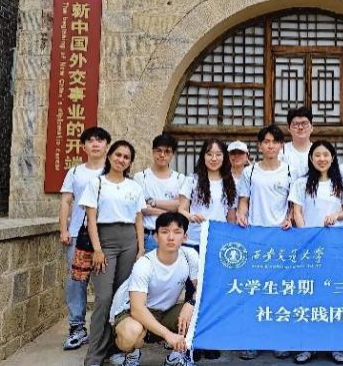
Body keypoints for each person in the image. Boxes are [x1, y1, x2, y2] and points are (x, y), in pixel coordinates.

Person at [79, 140, 146, 366]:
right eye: (118, 155)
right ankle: (94, 354)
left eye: (126, 157)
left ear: (130, 162)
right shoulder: (97, 183)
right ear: (109, 156)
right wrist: (97, 249)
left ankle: (114, 348)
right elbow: (91, 220)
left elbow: (138, 219)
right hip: (104, 241)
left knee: (121, 298)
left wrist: (141, 249)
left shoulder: (134, 187)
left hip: (129, 241)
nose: (121, 160)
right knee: (104, 298)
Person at [289, 140, 343, 365]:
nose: (322, 159)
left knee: (334, 295)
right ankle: (308, 345)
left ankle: (336, 345)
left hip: (335, 247)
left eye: (326, 155)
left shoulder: (341, 183)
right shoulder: (301, 183)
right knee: (308, 295)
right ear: (311, 158)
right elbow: (297, 212)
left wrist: (336, 216)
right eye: (317, 155)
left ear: (333, 158)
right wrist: (306, 235)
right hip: (309, 248)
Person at [110, 212, 198, 366]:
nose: (171, 237)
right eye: (165, 232)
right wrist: (168, 335)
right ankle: (131, 355)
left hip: (165, 312)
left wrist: (191, 303)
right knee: (132, 332)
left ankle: (176, 357)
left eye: (177, 232)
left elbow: (203, 288)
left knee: (200, 312)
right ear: (156, 237)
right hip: (132, 313)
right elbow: (137, 309)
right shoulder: (144, 264)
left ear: (185, 237)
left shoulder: (189, 255)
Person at [236, 124, 293, 360]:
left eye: (275, 142)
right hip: (255, 239)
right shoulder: (249, 172)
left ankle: (279, 339)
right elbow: (243, 202)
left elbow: (293, 204)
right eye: (266, 142)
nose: (270, 146)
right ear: (259, 145)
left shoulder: (290, 170)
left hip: (281, 238)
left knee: (280, 291)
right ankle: (254, 340)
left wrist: (290, 218)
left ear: (281, 145)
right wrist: (241, 215)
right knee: (255, 290)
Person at [178, 139, 237, 360]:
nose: (214, 158)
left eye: (218, 154)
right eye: (209, 154)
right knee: (193, 291)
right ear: (203, 156)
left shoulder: (229, 182)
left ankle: (208, 339)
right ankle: (190, 342)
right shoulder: (192, 180)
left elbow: (231, 216)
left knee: (213, 292)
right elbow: (181, 209)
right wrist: (190, 216)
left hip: (218, 244)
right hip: (194, 242)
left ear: (224, 158)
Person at [59, 126, 111, 350]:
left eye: (100, 140)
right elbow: (66, 201)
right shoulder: (75, 172)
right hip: (78, 236)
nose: (95, 144)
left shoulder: (113, 171)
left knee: (106, 283)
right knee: (76, 282)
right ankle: (77, 327)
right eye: (91, 140)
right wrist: (64, 229)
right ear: (84, 146)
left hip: (106, 236)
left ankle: (104, 329)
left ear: (107, 145)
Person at [134, 133, 185, 253]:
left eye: (167, 152)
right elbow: (141, 208)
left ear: (172, 154)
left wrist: (153, 203)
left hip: (172, 237)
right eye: (159, 151)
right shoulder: (141, 177)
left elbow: (180, 206)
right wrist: (169, 211)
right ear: (152, 152)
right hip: (149, 235)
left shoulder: (180, 178)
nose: (162, 155)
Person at [280, 106, 313, 178]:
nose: (300, 127)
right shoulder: (281, 151)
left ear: (312, 127)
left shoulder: (319, 151)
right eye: (295, 124)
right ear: (289, 128)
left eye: (304, 123)